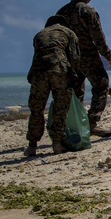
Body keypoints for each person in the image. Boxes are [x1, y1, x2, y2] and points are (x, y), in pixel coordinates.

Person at [56, 0, 111, 136]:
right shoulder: (87, 11)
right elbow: (98, 38)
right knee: (102, 85)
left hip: (68, 57)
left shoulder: (61, 12)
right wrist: (109, 57)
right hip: (87, 55)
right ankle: (92, 123)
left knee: (75, 92)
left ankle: (74, 125)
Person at [24, 15, 81, 156]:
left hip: (39, 72)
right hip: (59, 70)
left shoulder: (39, 35)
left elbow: (36, 56)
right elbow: (74, 57)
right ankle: (57, 144)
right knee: (60, 108)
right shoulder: (69, 33)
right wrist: (74, 77)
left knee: (36, 109)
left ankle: (32, 146)